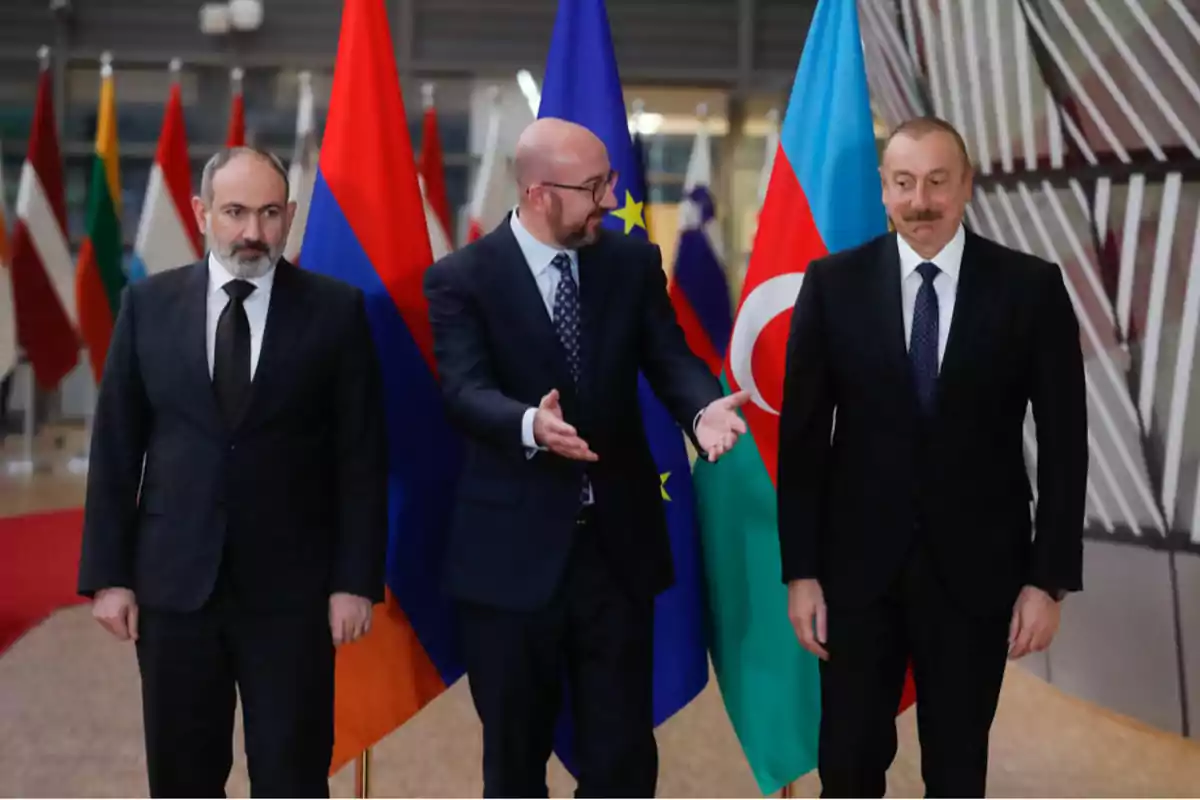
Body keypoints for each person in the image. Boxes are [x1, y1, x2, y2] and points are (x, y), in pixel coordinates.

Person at [423, 117, 748, 797]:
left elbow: (669, 356)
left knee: (623, 762)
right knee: (514, 763)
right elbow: (464, 390)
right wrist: (527, 425)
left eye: (608, 182)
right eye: (595, 186)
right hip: (510, 560)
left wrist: (699, 408)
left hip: (615, 555)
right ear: (540, 192)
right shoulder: (463, 278)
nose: (609, 199)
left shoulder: (628, 262)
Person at [777, 116, 1087, 797]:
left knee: (956, 772)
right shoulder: (832, 285)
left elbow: (1066, 443)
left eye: (938, 182)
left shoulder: (1030, 288)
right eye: (905, 183)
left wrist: (1049, 580)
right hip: (854, 575)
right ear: (884, 192)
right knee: (849, 766)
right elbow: (801, 441)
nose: (922, 201)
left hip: (978, 575)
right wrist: (799, 572)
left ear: (967, 186)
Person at [76, 146, 387, 798]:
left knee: (292, 775)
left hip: (294, 598)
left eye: (270, 213)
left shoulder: (337, 312)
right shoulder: (147, 307)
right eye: (236, 212)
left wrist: (354, 581)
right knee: (183, 777)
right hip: (174, 588)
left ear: (291, 215)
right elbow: (114, 450)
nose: (253, 232)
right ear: (201, 213)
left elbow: (361, 457)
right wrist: (108, 576)